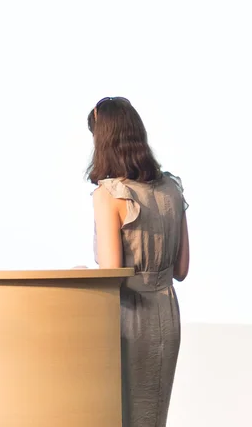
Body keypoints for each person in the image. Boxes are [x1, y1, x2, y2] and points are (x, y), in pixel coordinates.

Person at [87, 96, 190, 427]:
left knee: (124, 416)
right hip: (167, 313)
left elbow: (111, 273)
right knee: (153, 414)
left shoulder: (110, 194)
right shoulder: (172, 189)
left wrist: (81, 274)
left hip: (129, 316)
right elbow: (182, 269)